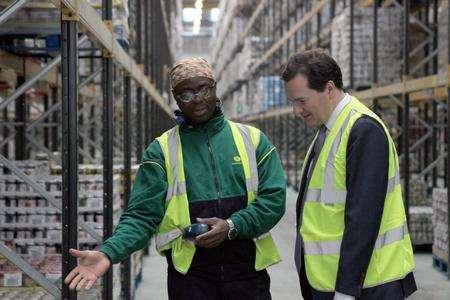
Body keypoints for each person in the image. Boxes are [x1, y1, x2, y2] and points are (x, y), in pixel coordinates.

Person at [64, 57, 286, 299]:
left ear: (214, 86)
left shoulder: (252, 140)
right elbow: (141, 215)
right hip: (190, 279)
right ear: (175, 97)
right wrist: (108, 253)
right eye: (186, 94)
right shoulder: (161, 150)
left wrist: (232, 226)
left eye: (203, 89)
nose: (198, 99)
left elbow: (273, 201)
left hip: (247, 276)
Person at [281, 49, 417, 300]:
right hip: (329, 280)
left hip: (367, 285)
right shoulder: (329, 131)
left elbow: (363, 219)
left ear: (329, 88)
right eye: (293, 102)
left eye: (301, 100)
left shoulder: (362, 130)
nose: (296, 111)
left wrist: (346, 290)